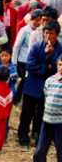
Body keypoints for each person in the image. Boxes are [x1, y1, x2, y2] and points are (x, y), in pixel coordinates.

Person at [19, 20, 62, 150]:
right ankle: (23, 139)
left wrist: (51, 56)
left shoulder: (60, 49)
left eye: (51, 33)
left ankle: (38, 139)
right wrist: (46, 66)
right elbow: (30, 66)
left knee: (42, 114)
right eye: (46, 33)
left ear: (57, 34)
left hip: (50, 87)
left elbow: (58, 68)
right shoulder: (37, 46)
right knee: (27, 113)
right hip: (32, 85)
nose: (48, 36)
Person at [32, 55, 62, 162]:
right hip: (47, 119)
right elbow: (46, 94)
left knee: (60, 147)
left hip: (60, 121)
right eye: (60, 64)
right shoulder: (50, 80)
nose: (61, 68)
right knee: (42, 144)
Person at [13, 9, 42, 104]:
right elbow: (16, 46)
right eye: (35, 20)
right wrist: (14, 61)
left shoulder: (42, 30)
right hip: (24, 59)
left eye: (39, 20)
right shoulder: (24, 30)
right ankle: (17, 98)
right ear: (31, 19)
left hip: (35, 59)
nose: (37, 22)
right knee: (25, 79)